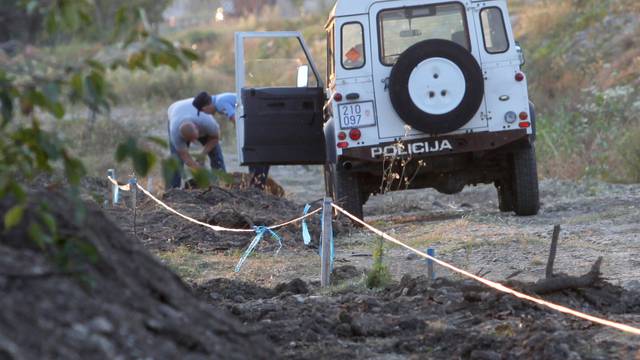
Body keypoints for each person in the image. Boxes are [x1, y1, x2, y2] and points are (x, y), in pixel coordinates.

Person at [192, 91, 271, 190]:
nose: (206, 114)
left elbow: (235, 118)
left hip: (256, 122)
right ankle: (258, 185)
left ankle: (257, 187)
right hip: (259, 118)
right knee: (258, 157)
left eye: (203, 111)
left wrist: (242, 136)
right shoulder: (220, 99)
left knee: (255, 157)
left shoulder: (220, 103)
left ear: (205, 107)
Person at [166, 95, 226, 189]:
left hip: (193, 115)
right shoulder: (175, 133)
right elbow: (185, 155)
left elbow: (215, 138)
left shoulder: (207, 122)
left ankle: (222, 184)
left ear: (197, 128)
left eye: (195, 138)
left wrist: (202, 154)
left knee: (215, 153)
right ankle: (173, 190)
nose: (194, 142)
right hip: (175, 111)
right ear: (182, 136)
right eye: (190, 140)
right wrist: (198, 169)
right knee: (176, 159)